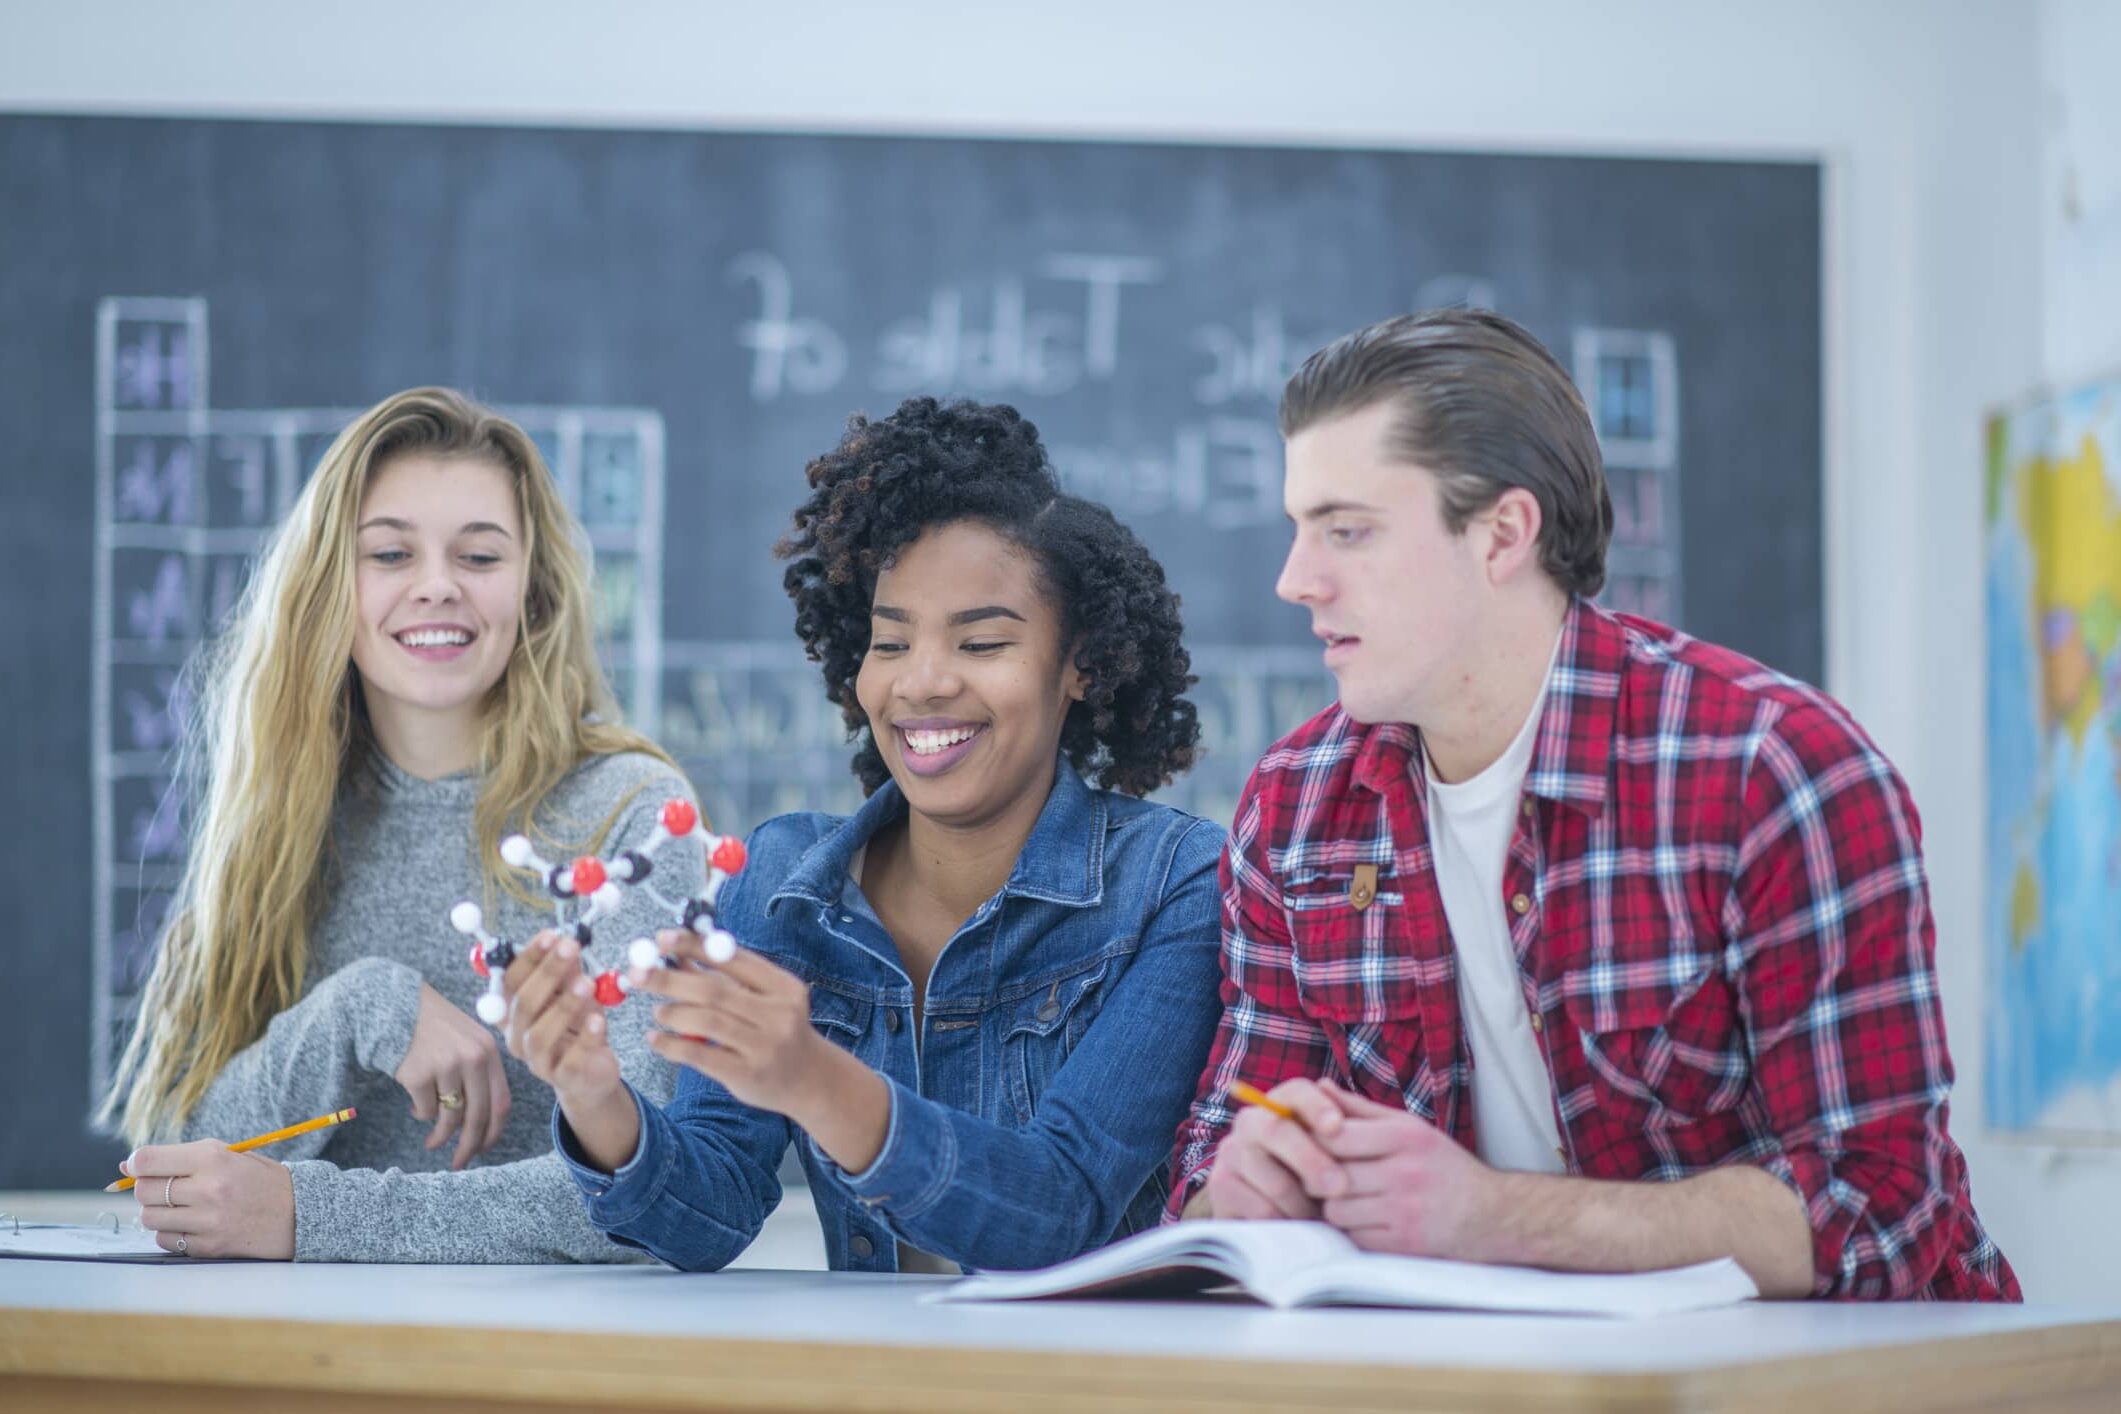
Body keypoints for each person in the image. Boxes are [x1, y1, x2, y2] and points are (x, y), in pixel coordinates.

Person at [1168, 310, 2019, 1301]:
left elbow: (1877, 1215)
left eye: (1346, 531)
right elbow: (1212, 1165)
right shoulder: (1294, 808)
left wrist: (1488, 1215)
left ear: (1502, 533)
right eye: (1297, 527)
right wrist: (1237, 1190)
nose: (1294, 580)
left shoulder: (1773, 771)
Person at [504, 397, 1223, 1272]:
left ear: (1080, 665)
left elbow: (1057, 1208)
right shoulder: (783, 876)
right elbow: (704, 1217)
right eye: (889, 643)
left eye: (983, 643)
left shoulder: (1176, 883)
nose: (920, 684)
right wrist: (593, 1097)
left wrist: (814, 1077)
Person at [103, 387, 700, 1262]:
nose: (435, 587)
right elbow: (174, 1169)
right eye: (388, 553)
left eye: (480, 555)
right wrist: (353, 1010)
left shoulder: (632, 816)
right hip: (294, 1366)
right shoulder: (279, 820)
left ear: (531, 590)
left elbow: (651, 1193)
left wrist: (310, 1218)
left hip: (553, 1369)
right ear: (328, 589)